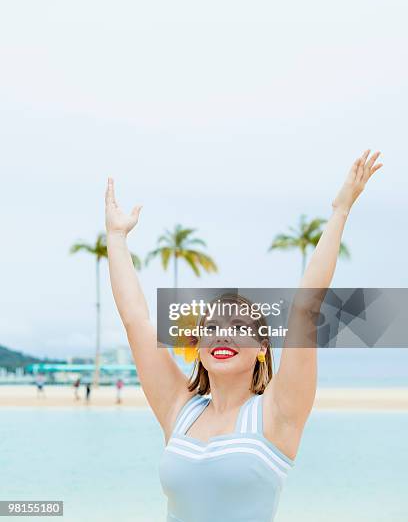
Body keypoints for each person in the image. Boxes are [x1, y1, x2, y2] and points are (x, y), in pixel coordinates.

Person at [105, 150, 382, 522]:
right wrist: (116, 237)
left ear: (262, 350)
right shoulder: (179, 409)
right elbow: (135, 320)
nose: (224, 338)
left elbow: (306, 308)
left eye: (239, 329)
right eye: (213, 329)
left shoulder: (276, 412)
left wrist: (340, 210)